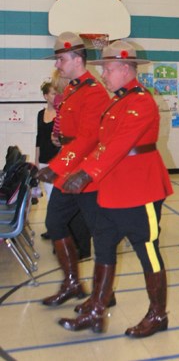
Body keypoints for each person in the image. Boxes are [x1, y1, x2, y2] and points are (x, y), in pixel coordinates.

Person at [57, 40, 174, 337]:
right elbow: (100, 142)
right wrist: (76, 163)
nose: (104, 75)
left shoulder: (141, 101)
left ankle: (158, 314)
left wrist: (86, 173)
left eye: (107, 69)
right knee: (104, 246)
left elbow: (120, 144)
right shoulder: (116, 101)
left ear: (125, 69)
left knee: (147, 251)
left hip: (139, 190)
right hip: (111, 189)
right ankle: (97, 309)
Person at [36, 31, 110, 306]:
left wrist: (56, 166)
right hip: (69, 166)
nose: (57, 65)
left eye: (61, 59)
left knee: (100, 234)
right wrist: (59, 138)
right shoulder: (71, 88)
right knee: (54, 223)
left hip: (86, 173)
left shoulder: (93, 90)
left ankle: (105, 293)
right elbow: (72, 132)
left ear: (77, 59)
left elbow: (89, 138)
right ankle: (72, 283)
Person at [35, 80, 60, 238]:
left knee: (55, 197)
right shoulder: (40, 114)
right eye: (52, 93)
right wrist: (37, 161)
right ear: (45, 96)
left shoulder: (61, 113)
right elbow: (39, 138)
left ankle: (56, 229)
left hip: (57, 161)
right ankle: (53, 228)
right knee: (50, 197)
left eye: (57, 93)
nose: (55, 96)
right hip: (44, 159)